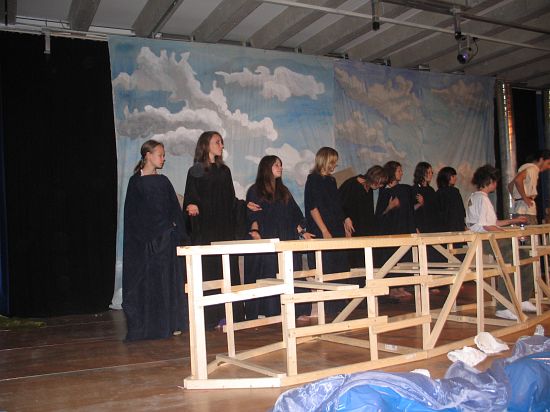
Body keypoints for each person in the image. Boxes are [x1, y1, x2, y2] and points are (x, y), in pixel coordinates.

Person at [183, 131, 256, 328]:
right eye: (217, 142)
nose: (221, 145)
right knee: (209, 272)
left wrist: (244, 205)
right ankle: (211, 317)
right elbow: (190, 197)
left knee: (227, 271)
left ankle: (229, 315)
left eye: (221, 142)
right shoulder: (195, 171)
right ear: (206, 145)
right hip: (206, 230)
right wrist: (191, 205)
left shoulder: (225, 171)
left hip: (224, 230)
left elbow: (230, 200)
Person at [122, 139, 188, 341]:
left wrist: (178, 234)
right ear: (148, 156)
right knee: (150, 284)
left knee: (168, 283)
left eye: (164, 155)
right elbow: (132, 215)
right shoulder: (136, 182)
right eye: (160, 154)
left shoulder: (164, 181)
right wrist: (143, 240)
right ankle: (152, 325)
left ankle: (172, 323)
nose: (163, 158)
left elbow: (174, 210)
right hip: (147, 244)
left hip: (166, 241)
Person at [244, 155, 314, 319]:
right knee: (269, 273)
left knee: (291, 272)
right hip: (268, 237)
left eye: (281, 165)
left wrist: (302, 232)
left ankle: (297, 310)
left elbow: (294, 215)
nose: (280, 168)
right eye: (276, 165)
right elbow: (253, 216)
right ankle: (270, 311)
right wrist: (255, 232)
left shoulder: (284, 191)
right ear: (267, 167)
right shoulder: (255, 190)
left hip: (287, 237)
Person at [465, 164, 530, 320]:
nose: (496, 184)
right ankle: (504, 306)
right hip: (486, 238)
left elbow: (491, 223)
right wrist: (510, 234)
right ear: (490, 181)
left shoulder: (475, 197)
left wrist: (513, 221)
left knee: (524, 257)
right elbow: (486, 226)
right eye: (495, 181)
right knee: (512, 261)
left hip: (486, 236)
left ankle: (522, 299)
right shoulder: (482, 199)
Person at [304, 147, 352, 314]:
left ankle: (340, 303)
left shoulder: (331, 181)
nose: (334, 165)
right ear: (324, 160)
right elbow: (312, 207)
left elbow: (337, 205)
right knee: (326, 266)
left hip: (336, 228)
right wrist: (324, 230)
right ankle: (329, 306)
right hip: (321, 229)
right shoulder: (313, 179)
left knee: (340, 265)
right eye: (332, 162)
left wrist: (345, 221)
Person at [375, 161, 417, 300]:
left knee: (403, 258)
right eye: (399, 170)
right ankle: (392, 289)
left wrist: (413, 227)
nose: (401, 173)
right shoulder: (384, 191)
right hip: (390, 231)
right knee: (391, 259)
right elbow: (379, 214)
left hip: (403, 229)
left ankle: (401, 287)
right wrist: (390, 206)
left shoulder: (403, 190)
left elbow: (409, 211)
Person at [339, 165, 387, 271]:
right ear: (374, 178)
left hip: (364, 232)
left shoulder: (369, 189)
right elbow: (339, 205)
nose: (380, 186)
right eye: (379, 182)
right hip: (351, 230)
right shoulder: (351, 184)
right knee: (354, 264)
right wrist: (345, 219)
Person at [508, 149, 550, 225]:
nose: (548, 167)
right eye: (548, 163)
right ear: (541, 160)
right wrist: (525, 198)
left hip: (519, 208)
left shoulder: (526, 168)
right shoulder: (533, 169)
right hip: (526, 211)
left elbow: (510, 185)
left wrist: (518, 198)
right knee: (531, 231)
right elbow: (518, 180)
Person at [436, 167, 466, 232]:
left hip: (452, 226)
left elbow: (460, 211)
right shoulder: (441, 193)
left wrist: (464, 225)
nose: (455, 178)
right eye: (453, 176)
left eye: (455, 176)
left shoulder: (454, 191)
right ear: (446, 177)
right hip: (451, 227)